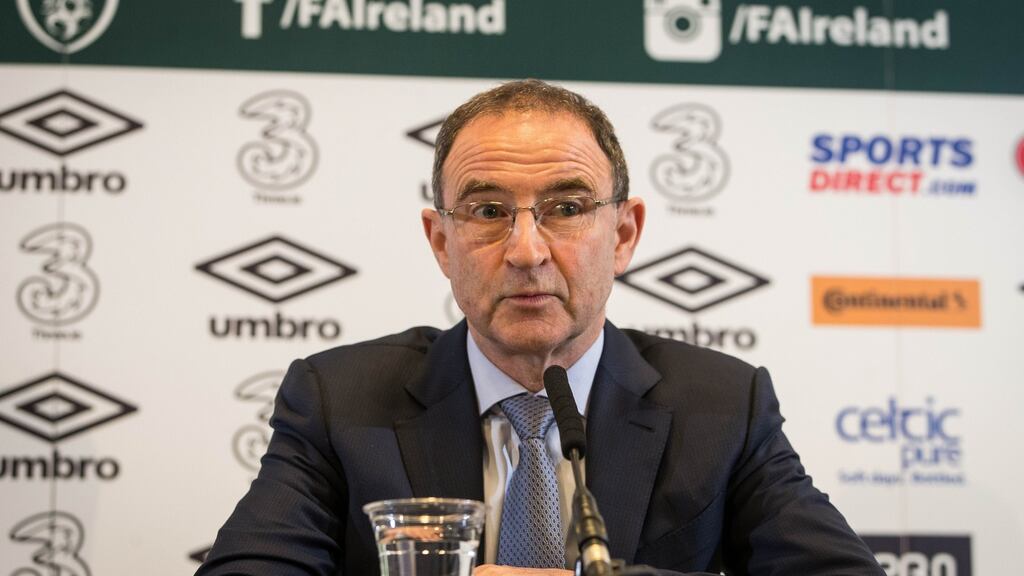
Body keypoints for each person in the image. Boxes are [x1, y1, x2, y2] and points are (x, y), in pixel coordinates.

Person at [197, 79, 883, 576]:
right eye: (488, 210)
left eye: (567, 206)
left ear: (624, 233)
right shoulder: (337, 400)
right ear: (441, 242)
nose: (526, 250)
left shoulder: (722, 406)